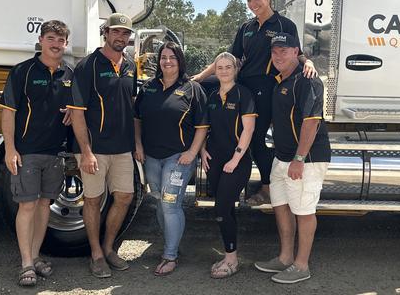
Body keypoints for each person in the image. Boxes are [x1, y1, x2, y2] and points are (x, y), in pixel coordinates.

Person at [193, 0, 317, 206]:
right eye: (249, 1)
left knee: (256, 139)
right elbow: (228, 57)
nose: (253, 5)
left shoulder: (284, 24)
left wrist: (308, 62)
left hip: (265, 87)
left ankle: (267, 189)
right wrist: (199, 76)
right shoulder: (246, 27)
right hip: (243, 84)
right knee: (200, 87)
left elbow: (296, 54)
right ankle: (201, 148)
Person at [0, 20, 73, 287]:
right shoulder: (23, 71)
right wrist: (10, 149)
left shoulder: (69, 74)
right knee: (27, 205)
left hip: (55, 153)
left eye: (61, 40)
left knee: (44, 205)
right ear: (41, 40)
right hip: (27, 152)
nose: (56, 44)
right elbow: (8, 112)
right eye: (51, 38)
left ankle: (36, 255)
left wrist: (72, 111)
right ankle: (26, 263)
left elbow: (77, 108)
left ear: (66, 44)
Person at [254, 32, 331, 284]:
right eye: (275, 51)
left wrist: (299, 158)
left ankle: (301, 265)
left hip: (305, 159)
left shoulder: (307, 80)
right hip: (282, 157)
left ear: (296, 51)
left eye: (284, 51)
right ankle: (285, 257)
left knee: (304, 210)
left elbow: (311, 123)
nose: (278, 56)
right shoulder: (280, 80)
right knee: (281, 207)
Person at [67, 13, 137, 278]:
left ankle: (109, 248)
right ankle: (96, 254)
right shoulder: (88, 66)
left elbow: (131, 106)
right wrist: (85, 152)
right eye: (116, 32)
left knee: (125, 197)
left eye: (125, 33)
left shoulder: (131, 66)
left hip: (122, 148)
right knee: (93, 200)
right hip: (94, 149)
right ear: (105, 33)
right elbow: (77, 112)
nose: (121, 37)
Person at [134, 41, 208, 276]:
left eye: (172, 58)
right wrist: (138, 145)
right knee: (158, 199)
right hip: (152, 157)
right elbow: (137, 119)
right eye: (163, 57)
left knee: (170, 203)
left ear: (180, 61)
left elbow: (202, 126)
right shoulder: (148, 88)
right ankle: (170, 243)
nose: (167, 61)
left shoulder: (192, 89)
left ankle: (170, 255)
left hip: (179, 158)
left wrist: (192, 152)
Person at [200, 52, 256, 278]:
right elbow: (205, 126)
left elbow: (249, 129)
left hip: (236, 161)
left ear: (235, 69)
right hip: (214, 159)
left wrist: (236, 159)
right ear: (215, 70)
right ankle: (228, 253)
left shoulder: (244, 94)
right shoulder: (212, 95)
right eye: (219, 67)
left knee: (221, 208)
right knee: (226, 207)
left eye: (228, 67)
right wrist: (203, 149)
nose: (223, 71)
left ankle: (232, 259)